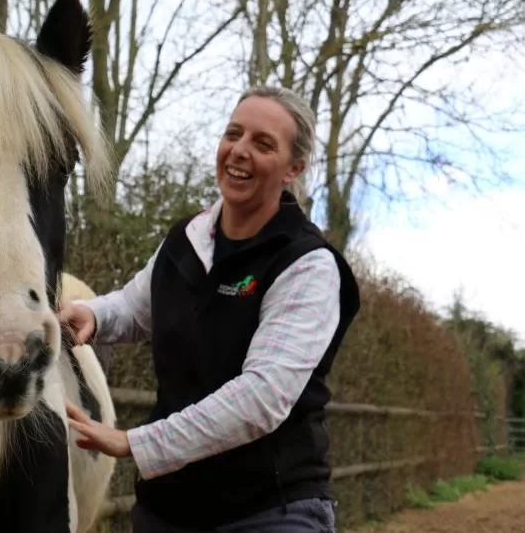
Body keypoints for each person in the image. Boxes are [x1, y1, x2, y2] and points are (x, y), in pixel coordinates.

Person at [60, 85, 361, 532]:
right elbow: (136, 306)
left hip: (268, 511)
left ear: (293, 168)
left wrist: (136, 443)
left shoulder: (306, 265)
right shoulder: (188, 239)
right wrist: (94, 314)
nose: (239, 150)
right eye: (233, 134)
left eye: (263, 143)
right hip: (168, 510)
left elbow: (262, 397)